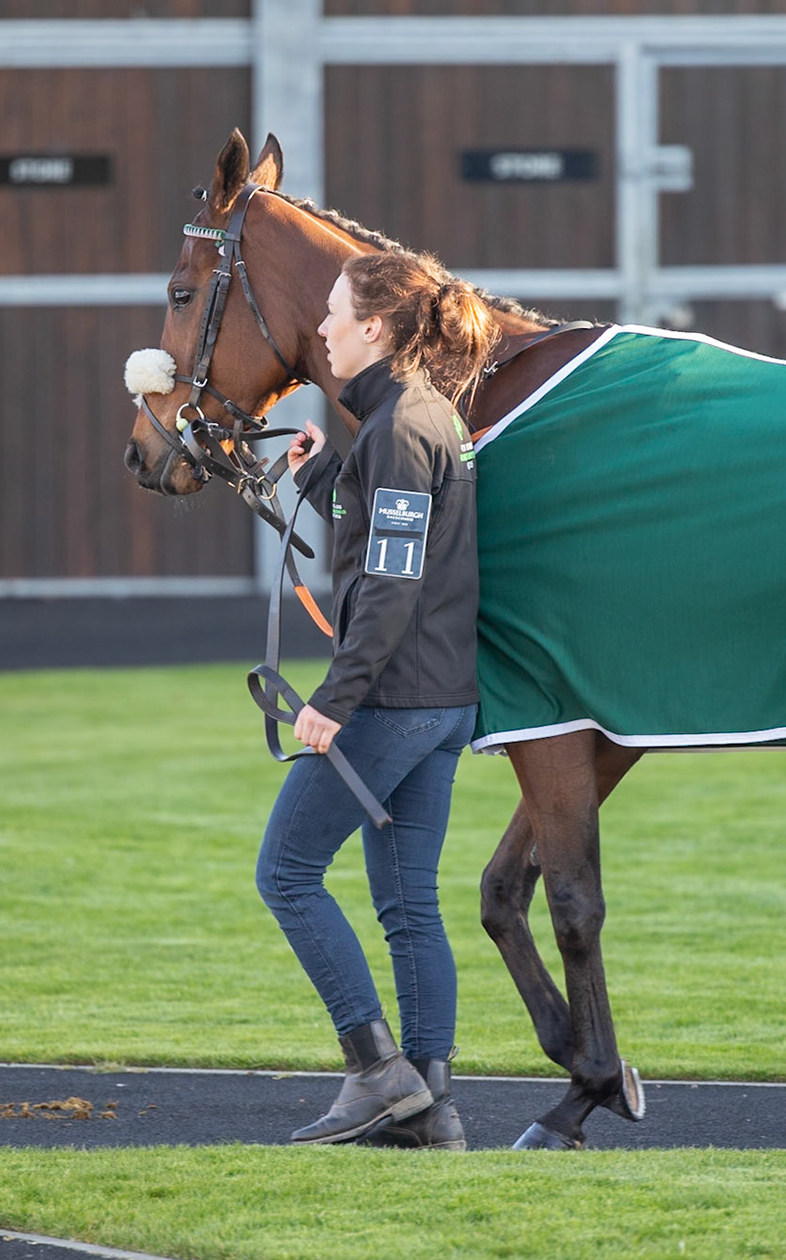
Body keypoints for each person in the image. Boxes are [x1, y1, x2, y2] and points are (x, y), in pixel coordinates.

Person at [256, 249, 496, 1150]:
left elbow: (392, 589)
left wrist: (335, 700)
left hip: (396, 702)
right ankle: (430, 1109)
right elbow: (392, 543)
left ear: (378, 327)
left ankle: (375, 1072)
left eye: (333, 313)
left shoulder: (399, 428)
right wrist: (324, 476)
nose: (320, 329)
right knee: (409, 906)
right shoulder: (416, 418)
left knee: (284, 872)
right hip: (442, 703)